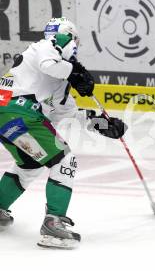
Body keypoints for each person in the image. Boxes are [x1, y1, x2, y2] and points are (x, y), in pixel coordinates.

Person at [0, 17, 126, 248]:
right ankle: (53, 223)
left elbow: (68, 113)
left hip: (8, 117)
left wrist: (105, 124)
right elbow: (51, 64)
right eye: (73, 41)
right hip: (21, 113)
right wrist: (75, 73)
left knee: (29, 164)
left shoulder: (56, 80)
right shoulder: (47, 46)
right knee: (64, 159)